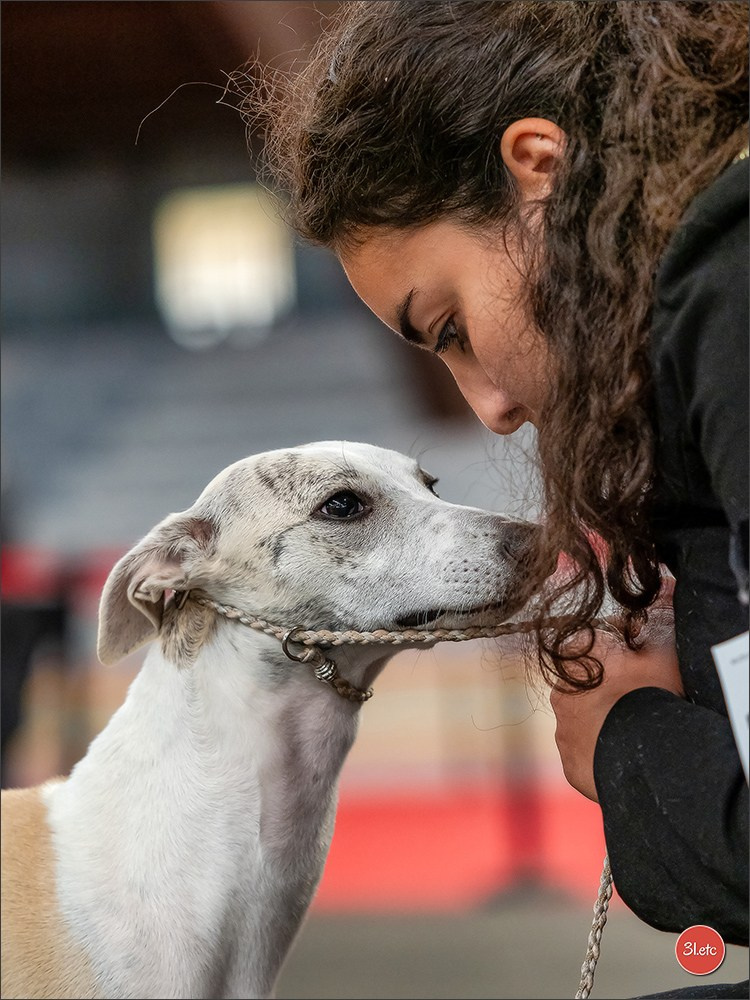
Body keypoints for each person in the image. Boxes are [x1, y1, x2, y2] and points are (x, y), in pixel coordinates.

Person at [249, 2, 748, 994]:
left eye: (452, 326)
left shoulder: (733, 293)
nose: (492, 405)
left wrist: (628, 741)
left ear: (539, 168)